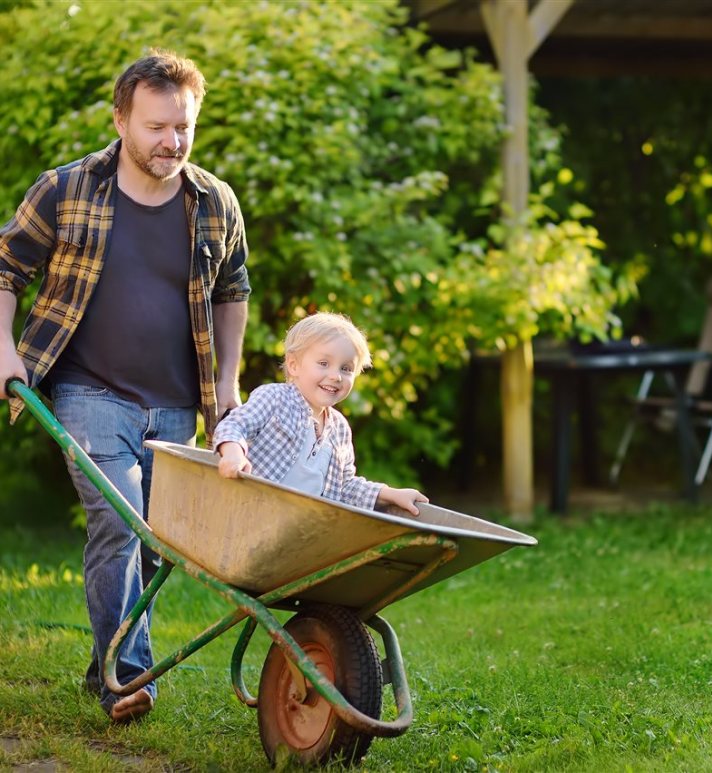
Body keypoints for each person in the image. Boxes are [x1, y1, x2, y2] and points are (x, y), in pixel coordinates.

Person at [0, 50, 250, 723]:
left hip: (177, 403)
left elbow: (233, 290)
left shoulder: (214, 202)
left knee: (146, 542)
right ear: (121, 119)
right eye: (156, 126)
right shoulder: (66, 189)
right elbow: (5, 268)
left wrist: (226, 384)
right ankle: (130, 678)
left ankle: (105, 662)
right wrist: (4, 350)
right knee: (118, 520)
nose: (171, 141)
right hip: (88, 392)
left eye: (184, 128)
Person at [214, 312, 427, 516]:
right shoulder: (274, 398)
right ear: (294, 365)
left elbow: (346, 488)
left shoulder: (340, 429)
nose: (336, 376)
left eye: (346, 368)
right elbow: (234, 425)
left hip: (298, 531)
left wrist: (391, 494)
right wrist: (233, 453)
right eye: (324, 364)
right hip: (250, 512)